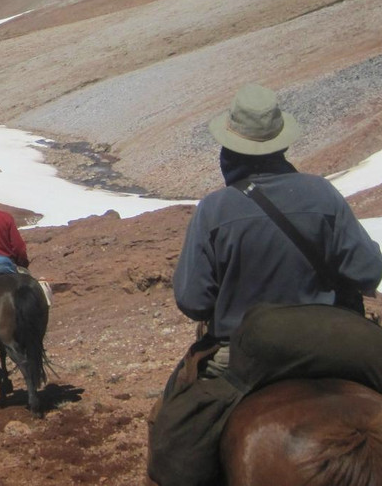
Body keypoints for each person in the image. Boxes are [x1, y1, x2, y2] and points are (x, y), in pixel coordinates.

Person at [147, 83, 382, 486]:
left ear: (229, 151)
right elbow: (368, 271)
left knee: (173, 431)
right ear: (281, 145)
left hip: (246, 351)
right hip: (340, 340)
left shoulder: (214, 209)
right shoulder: (324, 195)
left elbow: (192, 300)